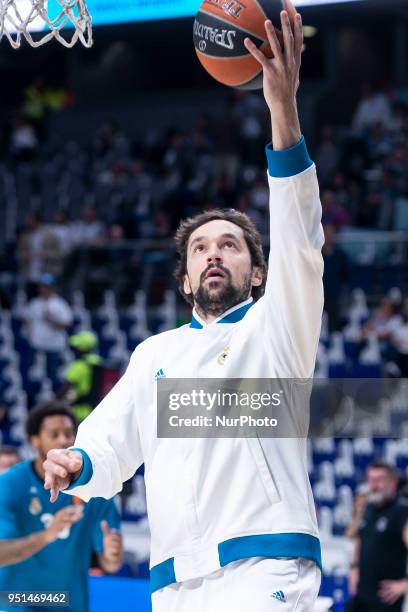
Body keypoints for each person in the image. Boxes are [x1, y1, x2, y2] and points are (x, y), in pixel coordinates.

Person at [44, 3, 324, 611]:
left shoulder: (278, 326)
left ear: (258, 276)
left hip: (265, 564)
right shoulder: (155, 354)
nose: (214, 254)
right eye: (201, 248)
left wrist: (283, 109)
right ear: (185, 278)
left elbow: (301, 242)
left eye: (230, 245)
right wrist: (78, 459)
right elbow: (113, 441)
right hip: (174, 580)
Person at [0, 403, 123, 612]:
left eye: (68, 433)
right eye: (54, 434)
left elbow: (111, 564)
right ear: (34, 440)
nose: (64, 440)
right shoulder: (9, 484)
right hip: (16, 602)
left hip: (69, 603)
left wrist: (113, 555)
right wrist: (49, 534)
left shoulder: (96, 488)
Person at [348, 460, 408, 612]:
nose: (373, 485)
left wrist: (405, 585)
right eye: (370, 480)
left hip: (384, 601)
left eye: (379, 480)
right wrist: (354, 568)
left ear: (393, 482)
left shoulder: (401, 511)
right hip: (361, 596)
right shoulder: (367, 508)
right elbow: (353, 536)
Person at [24, 274, 73, 383]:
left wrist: (52, 321)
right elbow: (27, 319)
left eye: (45, 286)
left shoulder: (60, 304)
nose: (42, 289)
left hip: (54, 346)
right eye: (41, 286)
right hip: (37, 345)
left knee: (52, 377)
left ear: (51, 287)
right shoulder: (34, 303)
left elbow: (67, 323)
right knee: (36, 377)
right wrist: (29, 332)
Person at [57, 331, 103, 422]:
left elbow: (65, 388)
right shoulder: (99, 363)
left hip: (80, 412)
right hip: (97, 410)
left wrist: (54, 401)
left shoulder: (79, 365)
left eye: (77, 347)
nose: (75, 350)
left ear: (82, 348)